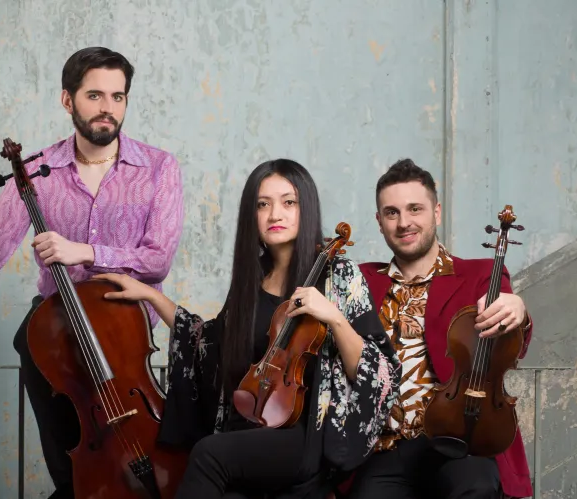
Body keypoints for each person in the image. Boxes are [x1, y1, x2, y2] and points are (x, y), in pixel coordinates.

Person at [0, 46, 184, 499]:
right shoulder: (36, 172)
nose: (108, 108)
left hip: (123, 334)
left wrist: (83, 251)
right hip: (57, 334)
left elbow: (158, 259)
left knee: (147, 448)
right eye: (95, 96)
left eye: (118, 97)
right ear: (68, 100)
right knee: (74, 462)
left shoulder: (159, 168)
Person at [93, 159, 401, 499]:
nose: (274, 214)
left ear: (306, 208)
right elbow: (208, 341)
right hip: (250, 428)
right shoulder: (253, 278)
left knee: (209, 454)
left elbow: (378, 372)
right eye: (262, 204)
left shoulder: (339, 275)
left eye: (288, 202)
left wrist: (335, 318)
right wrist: (150, 295)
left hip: (303, 436)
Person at [346, 158, 534, 499]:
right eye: (391, 213)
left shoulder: (480, 275)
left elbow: (510, 343)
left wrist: (518, 312)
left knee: (475, 487)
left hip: (460, 441)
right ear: (379, 222)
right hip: (385, 450)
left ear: (436, 212)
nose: (404, 222)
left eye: (415, 209)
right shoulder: (360, 280)